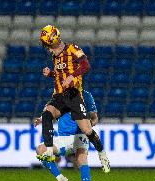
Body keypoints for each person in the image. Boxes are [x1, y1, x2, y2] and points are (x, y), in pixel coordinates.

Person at [38, 25, 107, 165]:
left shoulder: (72, 48)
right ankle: (50, 151)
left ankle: (102, 153)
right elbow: (60, 76)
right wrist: (51, 74)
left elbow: (86, 65)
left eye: (48, 44)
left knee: (87, 130)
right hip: (59, 96)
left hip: (73, 95)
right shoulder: (55, 56)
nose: (47, 48)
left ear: (54, 40)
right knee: (46, 115)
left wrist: (72, 76)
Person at [35, 90, 110, 181]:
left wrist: (88, 126)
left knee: (81, 158)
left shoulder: (86, 96)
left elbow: (94, 117)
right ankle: (60, 179)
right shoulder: (58, 95)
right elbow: (50, 111)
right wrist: (42, 118)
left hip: (80, 135)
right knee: (41, 150)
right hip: (63, 138)